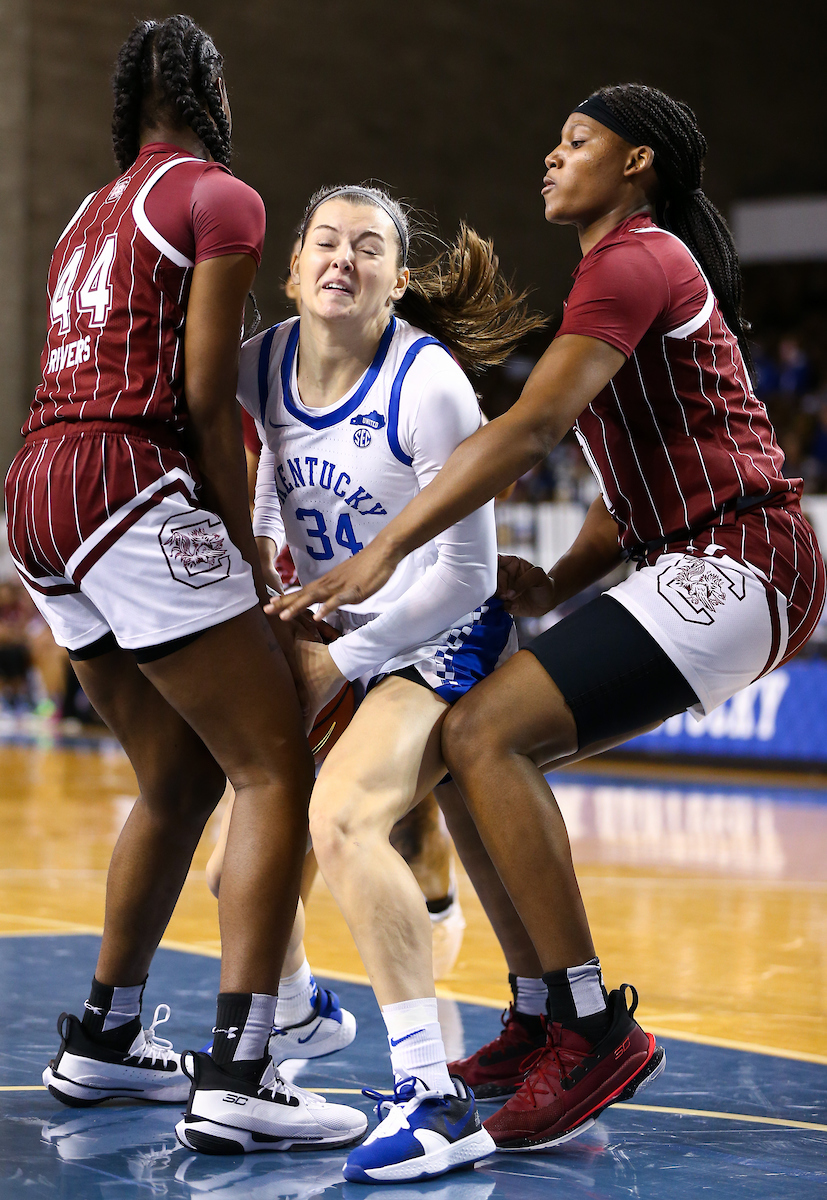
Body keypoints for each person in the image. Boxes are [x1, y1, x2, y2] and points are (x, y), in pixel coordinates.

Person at [274, 84, 826, 1151]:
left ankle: (589, 1026)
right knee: (467, 735)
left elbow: (532, 430)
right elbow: (633, 482)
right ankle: (534, 1015)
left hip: (745, 554)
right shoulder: (616, 273)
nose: (550, 155)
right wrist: (560, 578)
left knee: (488, 731)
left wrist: (383, 549)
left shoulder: (635, 257)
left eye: (576, 141)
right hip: (694, 551)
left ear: (636, 162)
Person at [3, 15, 365, 1154]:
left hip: (37, 486)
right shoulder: (219, 196)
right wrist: (246, 549)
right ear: (211, 94)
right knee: (274, 764)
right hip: (125, 479)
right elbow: (206, 393)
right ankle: (245, 1068)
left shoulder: (86, 213)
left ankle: (105, 1040)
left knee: (176, 778)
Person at [240, 182, 543, 1182]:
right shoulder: (260, 364)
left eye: (367, 247)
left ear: (396, 280)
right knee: (242, 860)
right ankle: (295, 1019)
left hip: (438, 631)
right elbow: (259, 472)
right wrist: (271, 568)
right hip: (337, 624)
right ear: (293, 270)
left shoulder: (428, 384)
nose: (343, 258)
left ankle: (431, 1094)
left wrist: (338, 662)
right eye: (324, 242)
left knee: (342, 821)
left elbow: (465, 575)